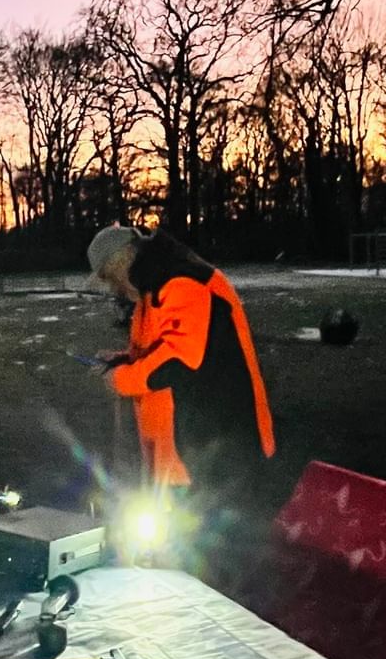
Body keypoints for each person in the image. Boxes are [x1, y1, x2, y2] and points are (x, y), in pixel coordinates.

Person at [87, 224, 275, 575]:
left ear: (122, 259)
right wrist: (123, 361)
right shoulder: (155, 288)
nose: (114, 289)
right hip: (185, 450)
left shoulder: (183, 283)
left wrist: (124, 379)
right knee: (186, 557)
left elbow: (180, 360)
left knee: (219, 561)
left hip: (216, 446)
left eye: (110, 278)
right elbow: (159, 351)